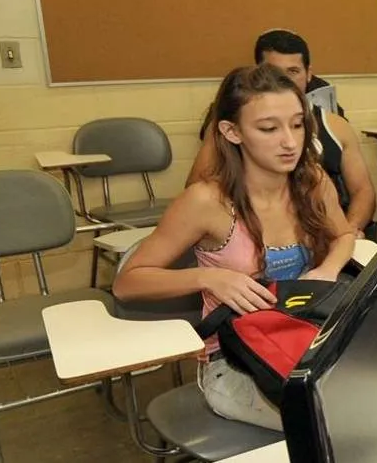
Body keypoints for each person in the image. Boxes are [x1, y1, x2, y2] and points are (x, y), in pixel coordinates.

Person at [115, 64, 357, 430]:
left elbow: (344, 236)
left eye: (296, 124)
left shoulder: (312, 181)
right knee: (341, 423)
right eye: (268, 129)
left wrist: (326, 270)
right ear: (231, 131)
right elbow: (128, 283)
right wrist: (209, 278)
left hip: (306, 342)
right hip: (235, 364)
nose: (290, 142)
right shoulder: (205, 201)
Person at [188, 30, 377, 240]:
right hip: (257, 236)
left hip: (330, 233)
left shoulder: (335, 126)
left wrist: (349, 230)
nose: (284, 80)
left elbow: (363, 191)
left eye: (293, 71)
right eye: (268, 128)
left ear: (308, 73)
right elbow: (197, 187)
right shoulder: (232, 125)